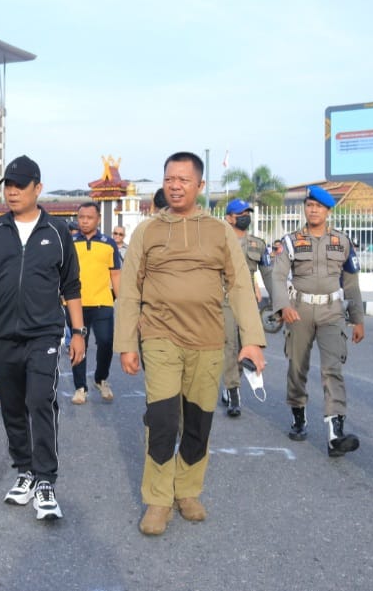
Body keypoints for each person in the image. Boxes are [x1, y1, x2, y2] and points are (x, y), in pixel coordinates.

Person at [114, 151, 265, 536]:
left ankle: (188, 490)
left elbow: (240, 286)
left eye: (183, 179)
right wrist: (127, 342)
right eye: (169, 179)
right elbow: (130, 290)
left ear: (199, 186)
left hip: (208, 340)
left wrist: (253, 341)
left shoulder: (219, 232)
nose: (175, 185)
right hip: (160, 337)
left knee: (198, 421)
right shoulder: (146, 231)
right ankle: (158, 500)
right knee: (162, 420)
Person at [0, 155, 85, 521]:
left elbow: (71, 285)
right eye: (7, 186)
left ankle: (45, 479)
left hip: (44, 333)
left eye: (19, 186)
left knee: (39, 400)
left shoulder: (57, 233)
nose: (11, 192)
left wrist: (77, 332)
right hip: (2, 333)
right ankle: (25, 471)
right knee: (12, 405)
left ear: (37, 189)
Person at [270, 185, 364, 456]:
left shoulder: (342, 242)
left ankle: (336, 433)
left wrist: (357, 318)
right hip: (299, 309)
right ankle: (298, 415)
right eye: (309, 205)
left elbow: (351, 283)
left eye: (318, 207)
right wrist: (283, 306)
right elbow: (278, 276)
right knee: (297, 366)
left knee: (332, 369)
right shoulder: (291, 241)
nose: (313, 210)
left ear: (327, 211)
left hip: (332, 311)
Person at [220, 198, 269, 417]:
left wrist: (279, 303)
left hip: (249, 301)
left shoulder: (257, 244)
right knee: (230, 345)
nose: (245, 217)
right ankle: (233, 392)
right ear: (229, 218)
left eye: (247, 213)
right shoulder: (219, 242)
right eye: (240, 214)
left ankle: (232, 384)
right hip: (226, 299)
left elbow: (268, 274)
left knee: (245, 344)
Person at [70, 201, 121, 405]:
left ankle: (101, 378)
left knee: (106, 342)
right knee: (78, 345)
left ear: (98, 219)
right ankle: (80, 387)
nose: (84, 221)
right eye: (81, 217)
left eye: (89, 217)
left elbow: (115, 275)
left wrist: (123, 304)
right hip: (76, 304)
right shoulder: (70, 242)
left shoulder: (108, 243)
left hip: (103, 302)